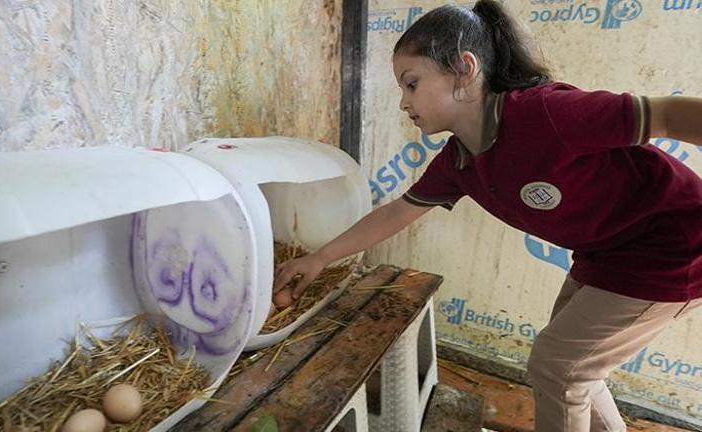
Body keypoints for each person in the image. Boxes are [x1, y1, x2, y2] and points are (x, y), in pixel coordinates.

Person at [274, 1, 702, 431]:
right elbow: (398, 212)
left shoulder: (546, 114)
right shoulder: (460, 162)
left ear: (464, 69)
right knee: (573, 370)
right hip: (608, 252)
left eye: (411, 83)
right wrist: (319, 259)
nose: (404, 102)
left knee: (560, 367)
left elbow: (666, 114)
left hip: (673, 246)